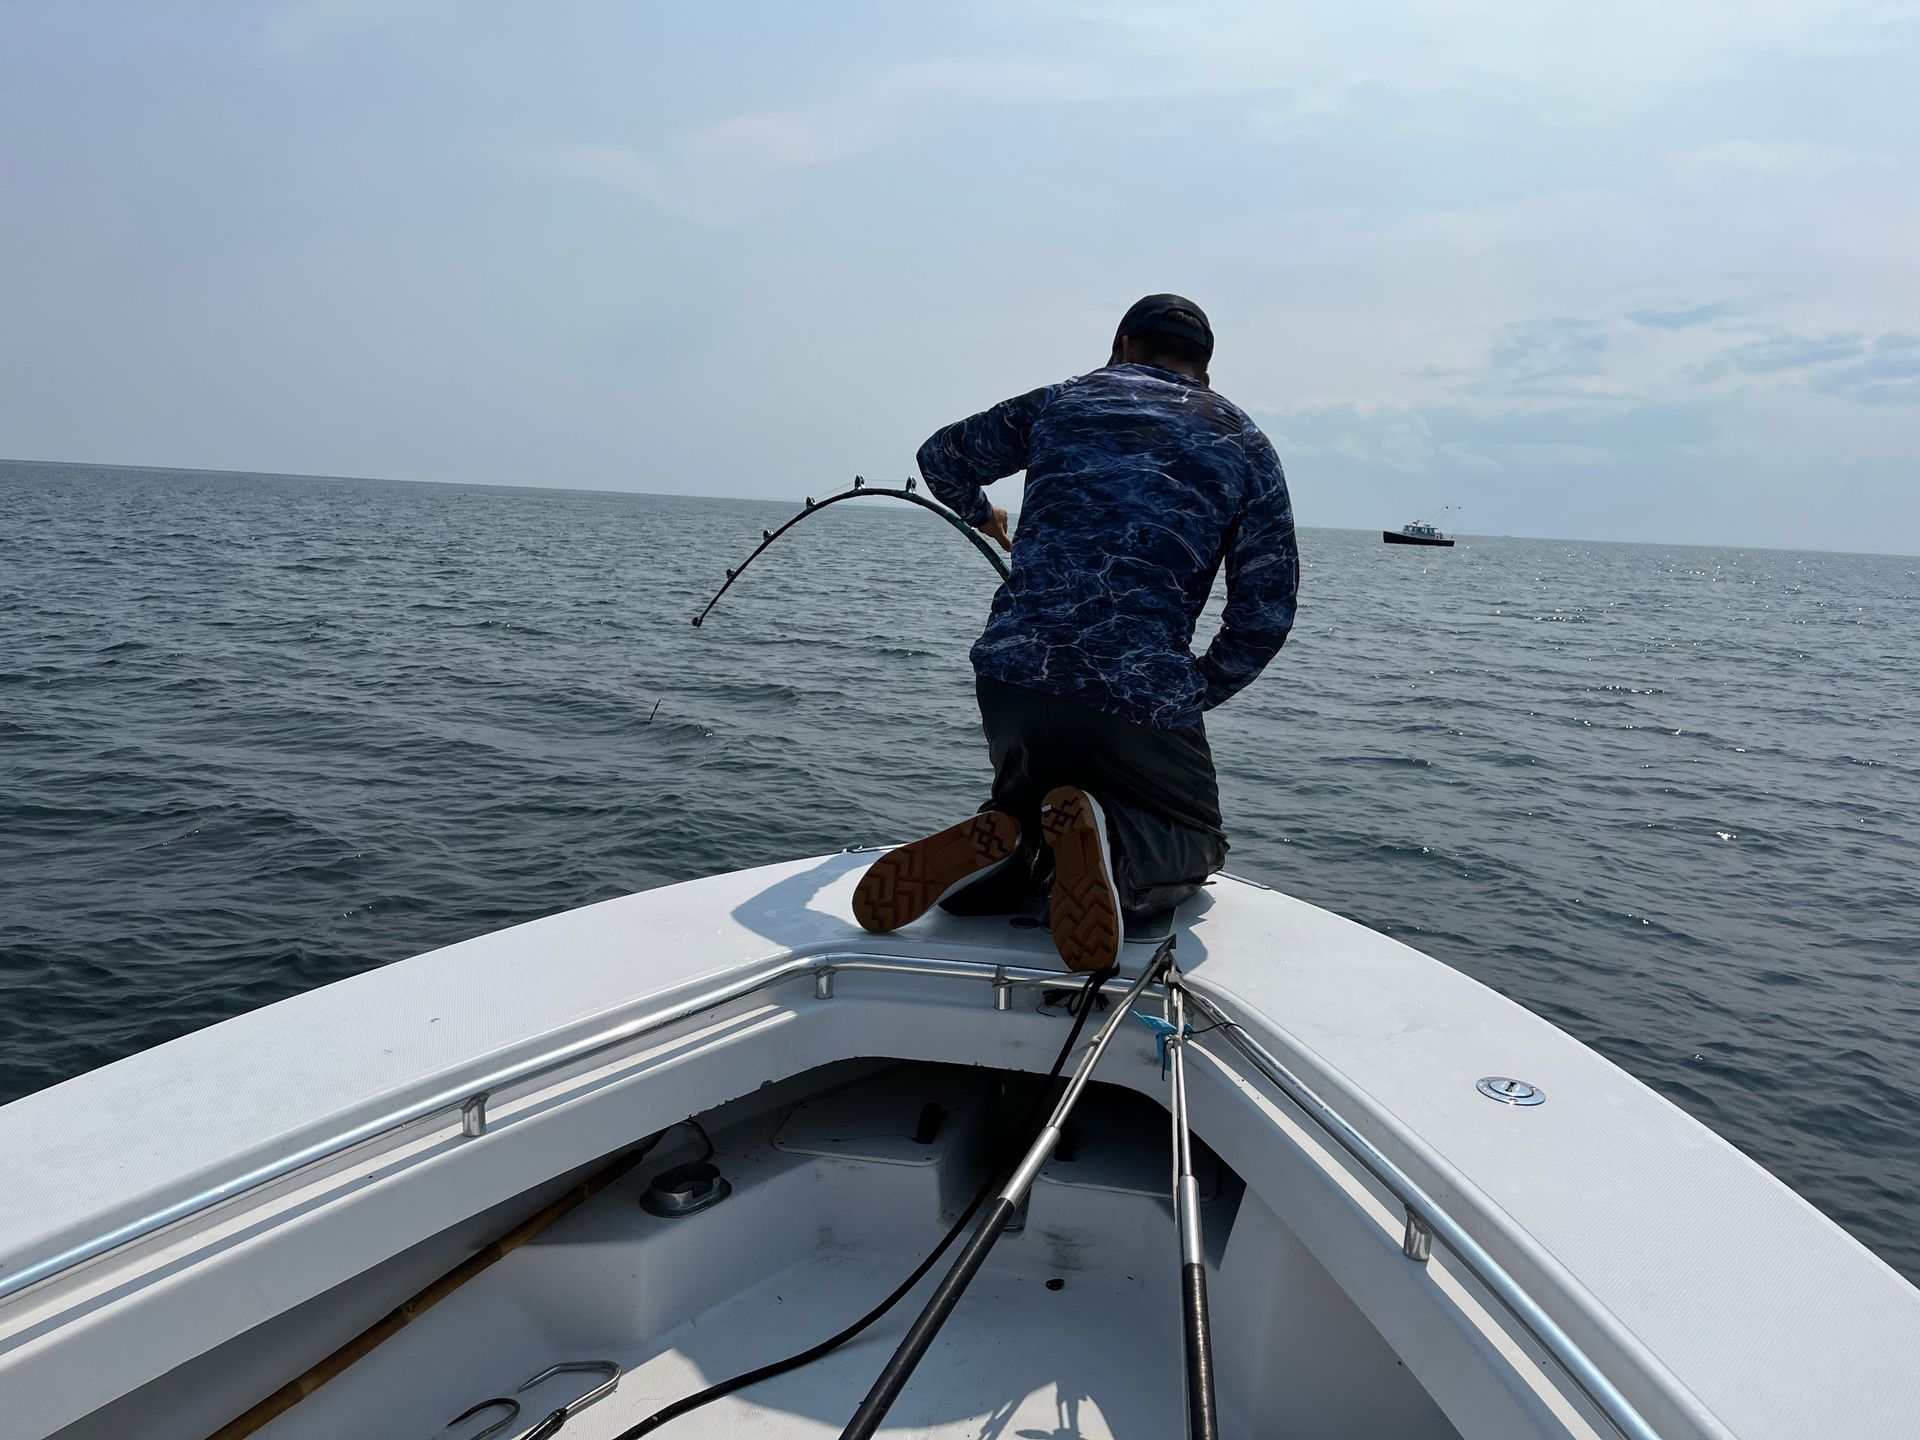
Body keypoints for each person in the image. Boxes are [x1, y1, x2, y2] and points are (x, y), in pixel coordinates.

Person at [852, 294, 1298, 971]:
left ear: (1122, 342)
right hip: (1139, 689)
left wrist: (981, 511)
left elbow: (942, 455)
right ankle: (1115, 856)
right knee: (1195, 839)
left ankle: (1009, 853)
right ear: (1205, 370)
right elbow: (1266, 608)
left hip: (1013, 678)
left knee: (1028, 807)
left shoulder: (1062, 401)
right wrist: (1190, 689)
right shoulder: (1245, 443)